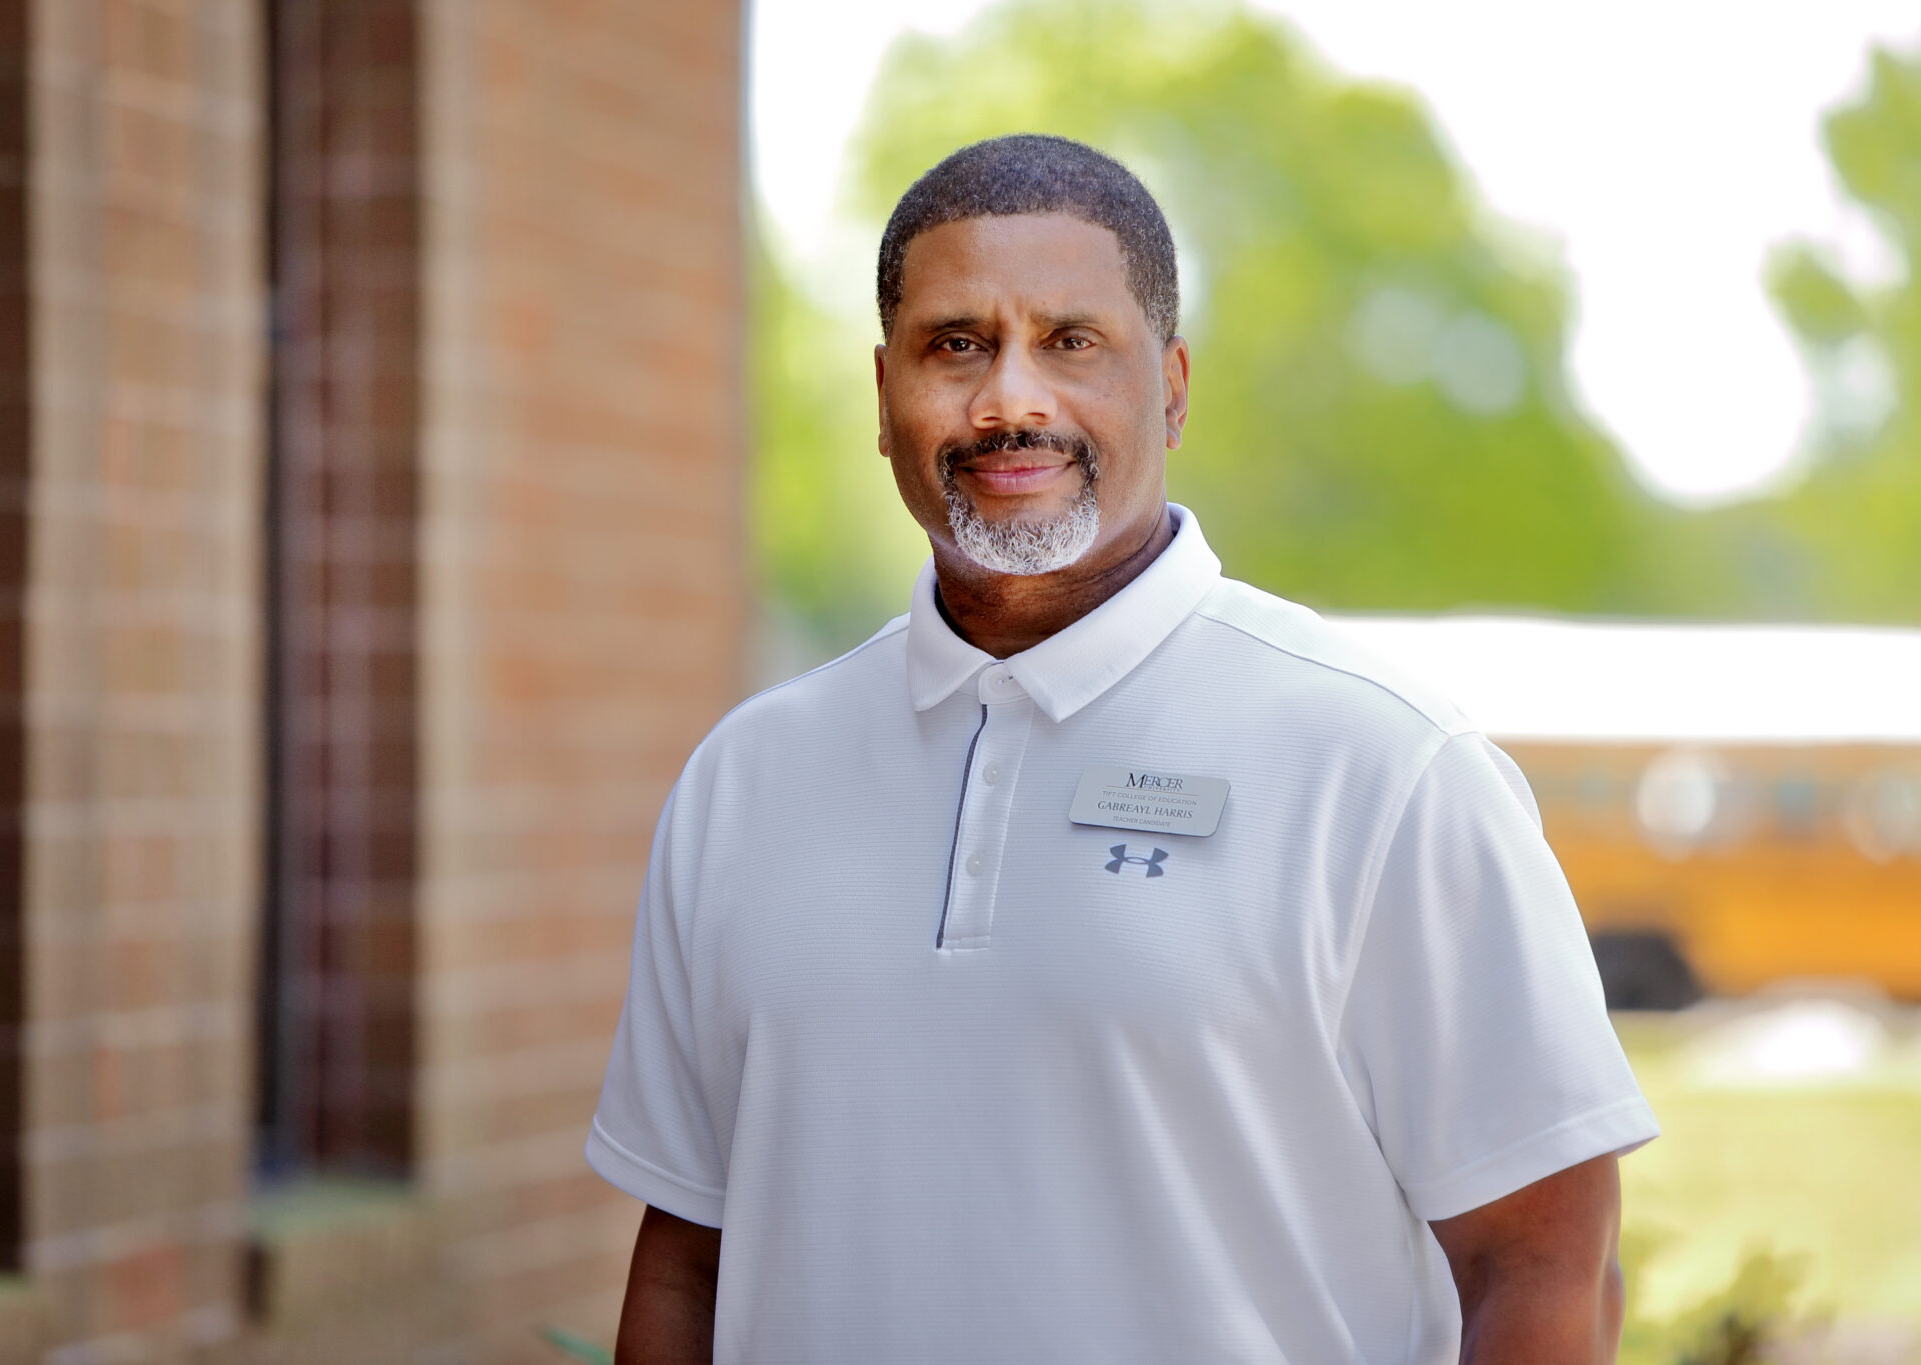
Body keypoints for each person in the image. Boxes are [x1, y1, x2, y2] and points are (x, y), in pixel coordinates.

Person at [587, 133, 1658, 1364]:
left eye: (1071, 342)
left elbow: (1543, 1266)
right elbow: (686, 1263)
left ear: (1174, 388)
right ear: (883, 395)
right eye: (956, 345)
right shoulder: (747, 779)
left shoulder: (1381, 766)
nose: (1009, 401)